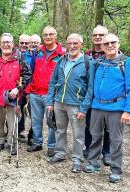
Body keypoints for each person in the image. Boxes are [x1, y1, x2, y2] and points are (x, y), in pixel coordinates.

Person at [84, 34, 130, 183]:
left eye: (113, 42)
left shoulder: (128, 63)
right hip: (97, 106)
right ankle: (93, 162)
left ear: (118, 44)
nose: (109, 45)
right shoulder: (98, 62)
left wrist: (128, 110)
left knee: (116, 140)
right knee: (95, 135)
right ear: (101, 47)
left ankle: (115, 169)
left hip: (117, 107)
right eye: (106, 43)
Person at [46, 33, 94, 173]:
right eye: (69, 43)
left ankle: (77, 160)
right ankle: (60, 153)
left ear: (81, 45)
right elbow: (53, 81)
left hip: (76, 104)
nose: (72, 46)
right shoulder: (62, 60)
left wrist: (84, 108)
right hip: (59, 102)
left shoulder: (87, 62)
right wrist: (50, 102)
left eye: (75, 43)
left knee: (78, 134)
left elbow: (90, 88)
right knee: (59, 130)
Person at [25, 26, 65, 157]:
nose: (48, 37)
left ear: (56, 35)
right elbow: (30, 71)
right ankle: (37, 142)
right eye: (45, 34)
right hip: (35, 93)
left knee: (52, 122)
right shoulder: (38, 52)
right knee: (35, 120)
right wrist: (28, 90)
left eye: (50, 34)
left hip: (51, 94)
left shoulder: (62, 54)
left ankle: (52, 146)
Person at [0, 33, 31, 154]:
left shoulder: (19, 57)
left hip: (13, 96)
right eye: (3, 42)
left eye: (8, 42)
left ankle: (12, 142)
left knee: (13, 121)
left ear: (13, 44)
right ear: (0, 43)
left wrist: (18, 88)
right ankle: (0, 140)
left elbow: (27, 75)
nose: (6, 44)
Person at [84, 25, 110, 165]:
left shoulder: (113, 54)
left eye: (101, 34)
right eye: (95, 35)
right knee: (89, 124)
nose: (98, 37)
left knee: (108, 126)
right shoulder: (86, 55)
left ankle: (107, 152)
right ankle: (88, 147)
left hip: (107, 98)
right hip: (89, 96)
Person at [17, 34, 33, 140]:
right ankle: (17, 131)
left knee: (30, 111)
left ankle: (32, 135)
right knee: (17, 109)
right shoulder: (14, 54)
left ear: (30, 44)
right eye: (21, 43)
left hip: (30, 88)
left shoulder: (34, 56)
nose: (23, 45)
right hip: (17, 88)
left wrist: (28, 90)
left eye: (26, 43)